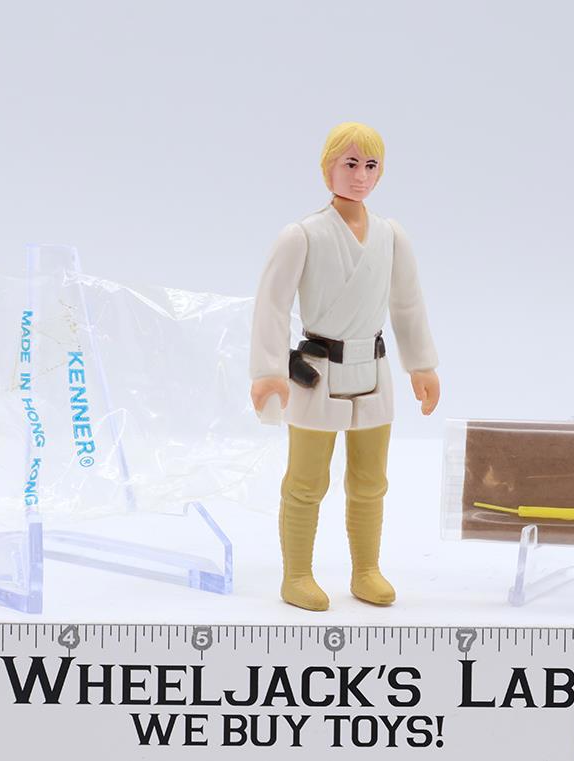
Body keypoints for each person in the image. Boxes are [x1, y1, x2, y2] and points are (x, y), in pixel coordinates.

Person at [250, 122, 440, 611]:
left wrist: (421, 364)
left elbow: (407, 303)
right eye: (350, 164)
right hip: (318, 370)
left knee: (370, 481)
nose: (360, 176)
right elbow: (272, 304)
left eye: (370, 166)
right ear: (328, 168)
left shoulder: (390, 235)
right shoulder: (302, 235)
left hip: (371, 368)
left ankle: (366, 570)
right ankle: (296, 575)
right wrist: (268, 371)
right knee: (306, 481)